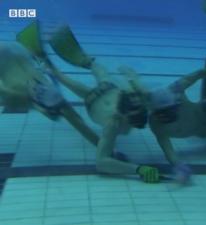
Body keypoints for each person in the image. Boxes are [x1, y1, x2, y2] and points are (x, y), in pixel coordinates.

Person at [41, 25, 161, 183]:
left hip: (108, 92)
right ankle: (56, 64)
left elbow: (137, 93)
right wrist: (138, 169)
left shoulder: (130, 105)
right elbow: (101, 163)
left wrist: (132, 77)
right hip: (98, 98)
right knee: (76, 78)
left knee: (90, 77)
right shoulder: (114, 124)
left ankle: (75, 63)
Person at [0, 41, 99, 147]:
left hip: (26, 87)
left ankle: (42, 107)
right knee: (73, 117)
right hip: (39, 84)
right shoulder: (15, 46)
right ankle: (103, 147)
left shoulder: (12, 49)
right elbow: (35, 57)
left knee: (70, 115)